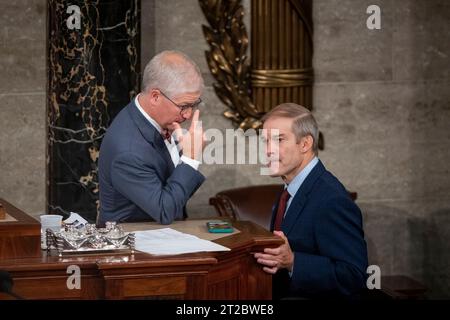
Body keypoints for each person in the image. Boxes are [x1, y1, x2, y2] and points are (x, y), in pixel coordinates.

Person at [254, 103, 368, 299]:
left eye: (278, 140)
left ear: (305, 144)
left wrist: (293, 262)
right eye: (265, 142)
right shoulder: (289, 190)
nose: (268, 151)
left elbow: (353, 276)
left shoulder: (331, 199)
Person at [97, 50, 206, 226]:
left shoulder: (156, 120)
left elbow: (175, 192)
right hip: (132, 247)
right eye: (184, 106)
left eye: (194, 104)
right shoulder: (128, 152)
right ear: (155, 96)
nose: (188, 114)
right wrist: (190, 158)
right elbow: (165, 211)